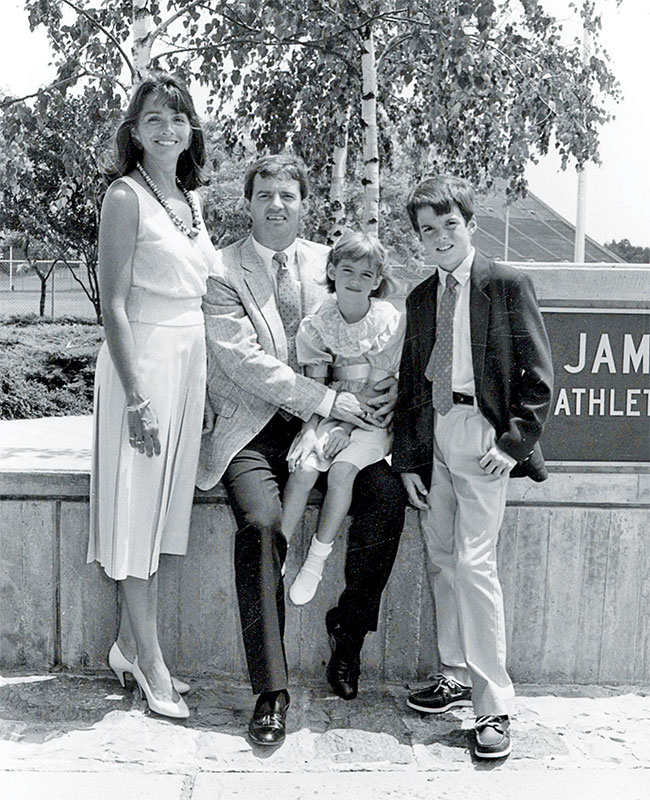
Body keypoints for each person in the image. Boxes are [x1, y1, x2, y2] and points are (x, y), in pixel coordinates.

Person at [197, 154, 407, 747]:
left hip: (336, 426)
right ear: (249, 201)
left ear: (303, 201)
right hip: (255, 429)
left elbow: (380, 331)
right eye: (265, 193)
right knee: (262, 527)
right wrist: (329, 401)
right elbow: (244, 362)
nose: (276, 204)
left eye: (288, 194)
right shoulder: (222, 270)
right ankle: (271, 689)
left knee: (385, 498)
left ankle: (348, 638)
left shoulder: (332, 262)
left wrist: (380, 391)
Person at [392, 174, 553, 759]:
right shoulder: (419, 297)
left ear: (470, 225)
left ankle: (494, 706)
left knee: (474, 562)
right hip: (434, 433)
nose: (439, 239)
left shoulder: (504, 283)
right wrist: (409, 457)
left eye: (449, 226)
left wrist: (512, 444)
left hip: (482, 435)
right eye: (427, 231)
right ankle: (455, 671)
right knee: (441, 557)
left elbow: (538, 378)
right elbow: (413, 383)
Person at [88, 74, 216, 720]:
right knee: (137, 512)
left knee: (161, 517)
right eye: (153, 119)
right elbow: (113, 304)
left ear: (191, 128)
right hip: (143, 366)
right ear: (134, 133)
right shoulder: (124, 197)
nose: (167, 128)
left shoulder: (191, 202)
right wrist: (136, 395)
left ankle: (126, 643)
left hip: (187, 364)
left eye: (177, 117)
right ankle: (151, 663)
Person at [283, 231, 405, 606]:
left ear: (378, 281)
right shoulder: (319, 322)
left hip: (370, 415)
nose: (355, 280)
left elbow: (379, 386)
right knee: (304, 467)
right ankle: (278, 551)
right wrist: (310, 430)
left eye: (366, 275)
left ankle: (316, 560)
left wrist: (347, 426)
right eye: (347, 270)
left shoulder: (387, 320)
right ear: (332, 271)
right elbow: (316, 385)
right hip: (334, 406)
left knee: (340, 471)